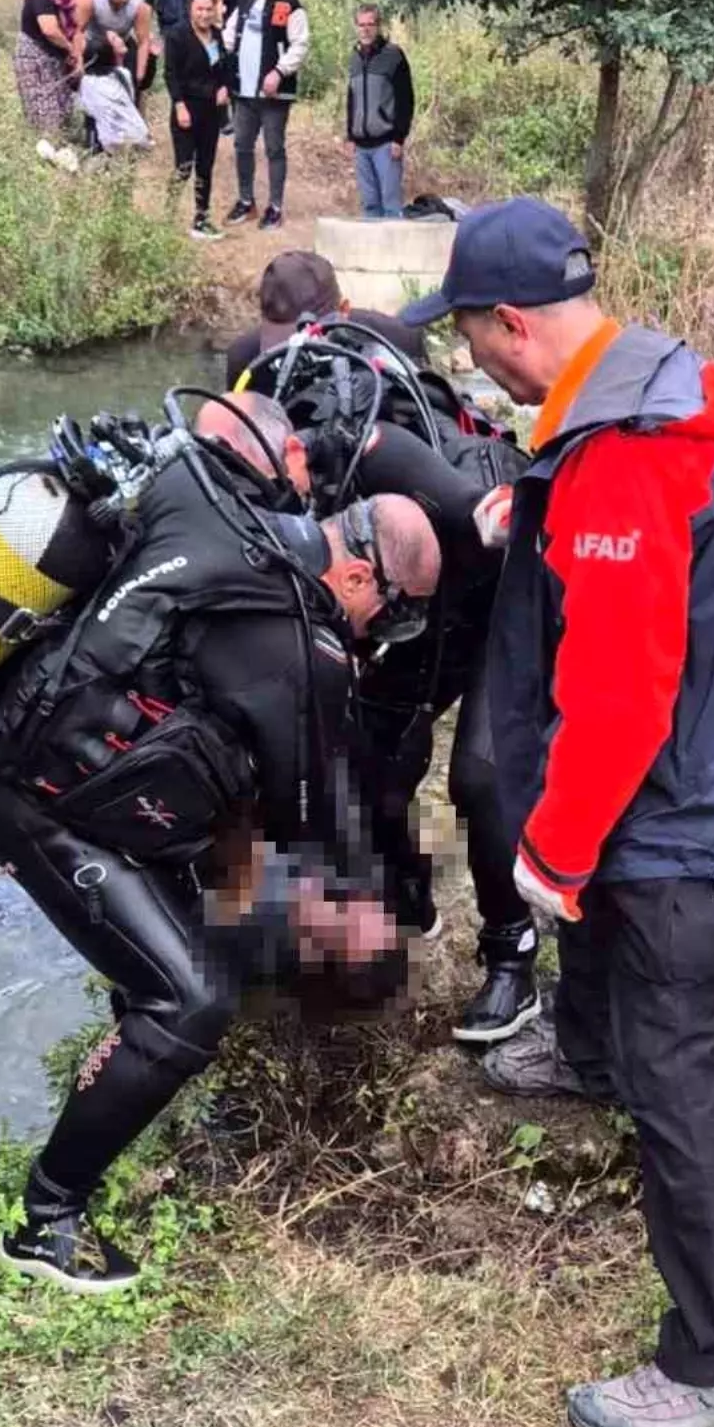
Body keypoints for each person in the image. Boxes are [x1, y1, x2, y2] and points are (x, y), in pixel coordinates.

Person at [400, 196, 714, 1427]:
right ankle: (579, 1057)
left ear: (513, 322)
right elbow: (638, 552)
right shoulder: (645, 392)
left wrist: (554, 847)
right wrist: (547, 514)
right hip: (699, 772)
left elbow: (624, 695)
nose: (466, 356)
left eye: (467, 334)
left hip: (680, 810)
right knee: (596, 948)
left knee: (678, 1066)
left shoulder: (627, 452)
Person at [0, 454, 442, 1293]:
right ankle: (46, 1219)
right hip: (26, 797)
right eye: (386, 618)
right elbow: (308, 821)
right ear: (357, 572)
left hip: (66, 771)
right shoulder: (302, 645)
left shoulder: (231, 519)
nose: (375, 637)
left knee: (216, 933)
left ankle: (134, 1055)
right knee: (191, 998)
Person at [228, 363, 540, 1044]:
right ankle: (408, 896)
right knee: (372, 756)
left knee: (481, 776)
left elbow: (490, 522)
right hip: (408, 587)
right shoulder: (253, 506)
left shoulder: (372, 452)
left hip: (501, 575)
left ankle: (511, 955)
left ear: (295, 455)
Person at [225, 251, 426, 388]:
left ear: (344, 311)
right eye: (282, 345)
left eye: (310, 339)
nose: (294, 355)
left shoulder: (395, 342)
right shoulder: (245, 358)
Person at [222, 0, 310, 230]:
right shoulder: (245, 0)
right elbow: (228, 37)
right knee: (242, 146)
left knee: (274, 148)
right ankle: (246, 201)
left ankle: (275, 207)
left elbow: (300, 44)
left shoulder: (290, 4)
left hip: (274, 94)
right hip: (243, 91)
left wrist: (279, 71)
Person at [164, 0, 230, 240]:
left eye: (208, 9)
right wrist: (179, 105)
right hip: (187, 107)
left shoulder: (217, 35)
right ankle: (168, 217)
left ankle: (201, 218)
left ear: (214, 11)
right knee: (183, 165)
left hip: (211, 110)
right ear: (191, 10)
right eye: (199, 9)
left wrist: (224, 87)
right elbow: (171, 74)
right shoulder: (178, 36)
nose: (204, 14)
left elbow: (223, 66)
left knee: (206, 165)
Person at [347, 5, 414, 219]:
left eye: (370, 24)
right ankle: (371, 252)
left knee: (391, 206)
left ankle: (395, 252)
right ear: (356, 27)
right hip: (361, 146)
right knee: (369, 206)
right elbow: (352, 98)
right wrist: (350, 135)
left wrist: (399, 138)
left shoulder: (393, 56)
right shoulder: (354, 57)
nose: (366, 30)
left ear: (378, 26)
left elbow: (406, 99)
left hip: (386, 144)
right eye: (362, 25)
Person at [14, 0, 82, 133]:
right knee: (42, 107)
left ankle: (62, 145)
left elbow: (76, 29)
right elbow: (50, 30)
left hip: (55, 60)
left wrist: (77, 57)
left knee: (63, 106)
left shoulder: (68, 2)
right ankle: (46, 149)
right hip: (34, 59)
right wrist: (70, 50)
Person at [76, 0, 157, 98]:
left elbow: (144, 42)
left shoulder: (139, 5)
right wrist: (78, 63)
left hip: (123, 41)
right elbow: (77, 32)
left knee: (130, 81)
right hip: (95, 42)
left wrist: (139, 76)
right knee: (98, 86)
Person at [78, 42, 152, 155]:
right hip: (139, 135)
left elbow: (87, 109)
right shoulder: (124, 73)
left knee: (91, 116)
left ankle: (94, 148)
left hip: (113, 142)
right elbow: (130, 98)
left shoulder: (87, 82)